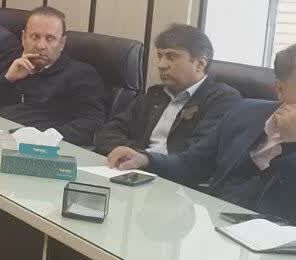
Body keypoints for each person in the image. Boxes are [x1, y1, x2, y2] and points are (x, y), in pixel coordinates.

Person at [111, 41, 296, 227]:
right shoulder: (245, 112)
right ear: (280, 90)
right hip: (216, 229)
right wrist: (146, 160)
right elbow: (192, 164)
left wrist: (295, 146)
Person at [95, 24, 240, 160]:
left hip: (176, 176)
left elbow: (197, 155)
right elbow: (106, 133)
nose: (161, 65)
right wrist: (137, 155)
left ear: (200, 64)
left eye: (171, 57)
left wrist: (146, 159)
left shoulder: (221, 99)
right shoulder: (156, 94)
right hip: (136, 168)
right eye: (160, 56)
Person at [0, 6, 107, 145]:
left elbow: (92, 123)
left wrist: (44, 138)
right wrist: (7, 80)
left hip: (40, 149)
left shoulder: (81, 74)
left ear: (62, 43)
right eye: (35, 37)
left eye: (50, 38)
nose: (41, 45)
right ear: (23, 38)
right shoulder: (15, 64)